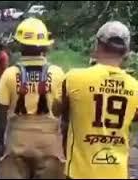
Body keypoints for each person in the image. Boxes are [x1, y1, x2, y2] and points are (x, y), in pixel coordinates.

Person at [53, 21, 138, 179]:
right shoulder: (135, 87)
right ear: (126, 51)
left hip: (79, 173)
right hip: (117, 174)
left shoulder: (73, 78)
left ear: (97, 44)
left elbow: (56, 110)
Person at [0, 17, 65, 179]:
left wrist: (0, 143)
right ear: (46, 46)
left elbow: (0, 115)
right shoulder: (58, 73)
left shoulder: (9, 74)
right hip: (49, 142)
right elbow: (66, 113)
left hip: (17, 141)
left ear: (20, 45)